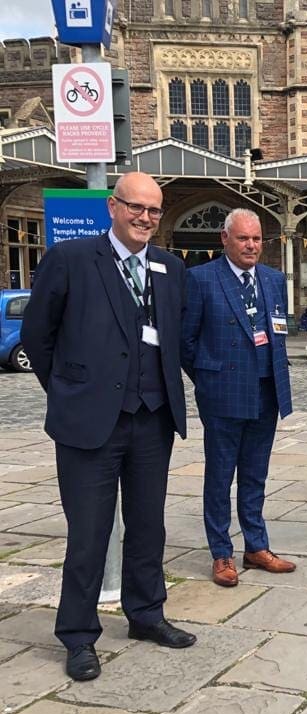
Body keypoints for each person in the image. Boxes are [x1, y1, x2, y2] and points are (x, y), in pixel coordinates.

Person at [21, 171, 196, 682]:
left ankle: (146, 615)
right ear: (113, 207)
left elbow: (172, 336)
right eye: (135, 207)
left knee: (148, 526)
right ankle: (78, 635)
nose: (145, 218)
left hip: (152, 419)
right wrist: (70, 392)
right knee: (90, 533)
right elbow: (38, 335)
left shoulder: (169, 267)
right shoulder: (71, 260)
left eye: (154, 211)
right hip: (88, 424)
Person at [181, 208, 296, 587]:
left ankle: (256, 546)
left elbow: (278, 330)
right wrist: (207, 379)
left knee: (255, 475)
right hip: (223, 395)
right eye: (244, 238)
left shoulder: (274, 279)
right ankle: (221, 554)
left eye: (257, 238)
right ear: (225, 239)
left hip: (266, 392)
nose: (251, 245)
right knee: (219, 477)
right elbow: (186, 341)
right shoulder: (200, 278)